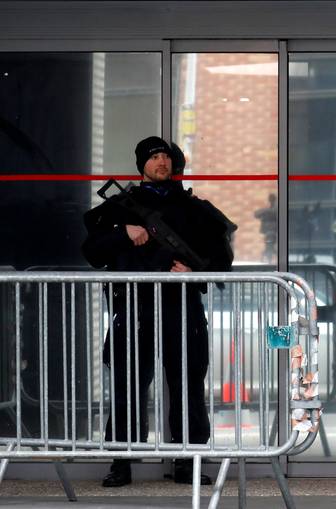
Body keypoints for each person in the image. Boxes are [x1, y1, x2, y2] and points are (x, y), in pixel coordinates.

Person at [82, 136, 235, 487]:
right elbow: (92, 251)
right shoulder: (121, 207)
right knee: (127, 387)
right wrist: (124, 232)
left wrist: (198, 273)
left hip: (182, 309)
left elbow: (222, 259)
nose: (161, 162)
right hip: (134, 307)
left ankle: (189, 460)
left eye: (166, 156)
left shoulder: (195, 209)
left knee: (188, 386)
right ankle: (121, 462)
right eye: (153, 158)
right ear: (141, 165)